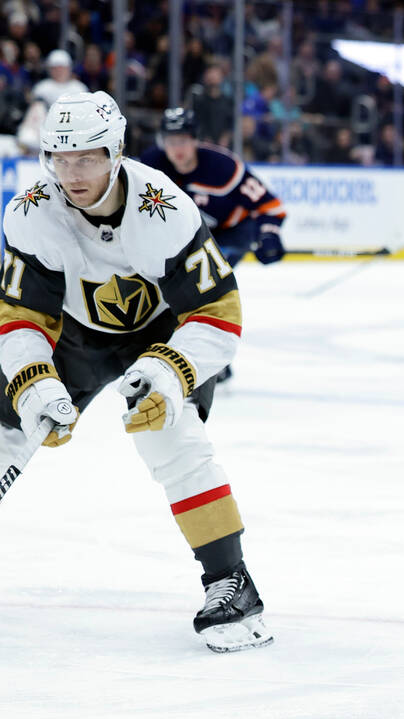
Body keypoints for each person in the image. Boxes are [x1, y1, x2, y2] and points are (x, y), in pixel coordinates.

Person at [0, 91, 271, 653]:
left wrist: (172, 372)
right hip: (76, 332)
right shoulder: (30, 209)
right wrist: (32, 382)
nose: (72, 174)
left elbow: (218, 313)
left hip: (165, 333)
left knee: (173, 438)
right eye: (60, 158)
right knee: (3, 426)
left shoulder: (164, 208)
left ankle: (231, 582)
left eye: (88, 158)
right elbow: (20, 315)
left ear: (117, 151)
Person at [141, 107, 286, 383]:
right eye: (171, 141)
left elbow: (270, 206)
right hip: (185, 236)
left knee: (201, 289)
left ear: (195, 139)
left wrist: (269, 235)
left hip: (232, 234)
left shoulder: (223, 167)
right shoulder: (150, 165)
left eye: (183, 140)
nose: (177, 148)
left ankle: (211, 360)